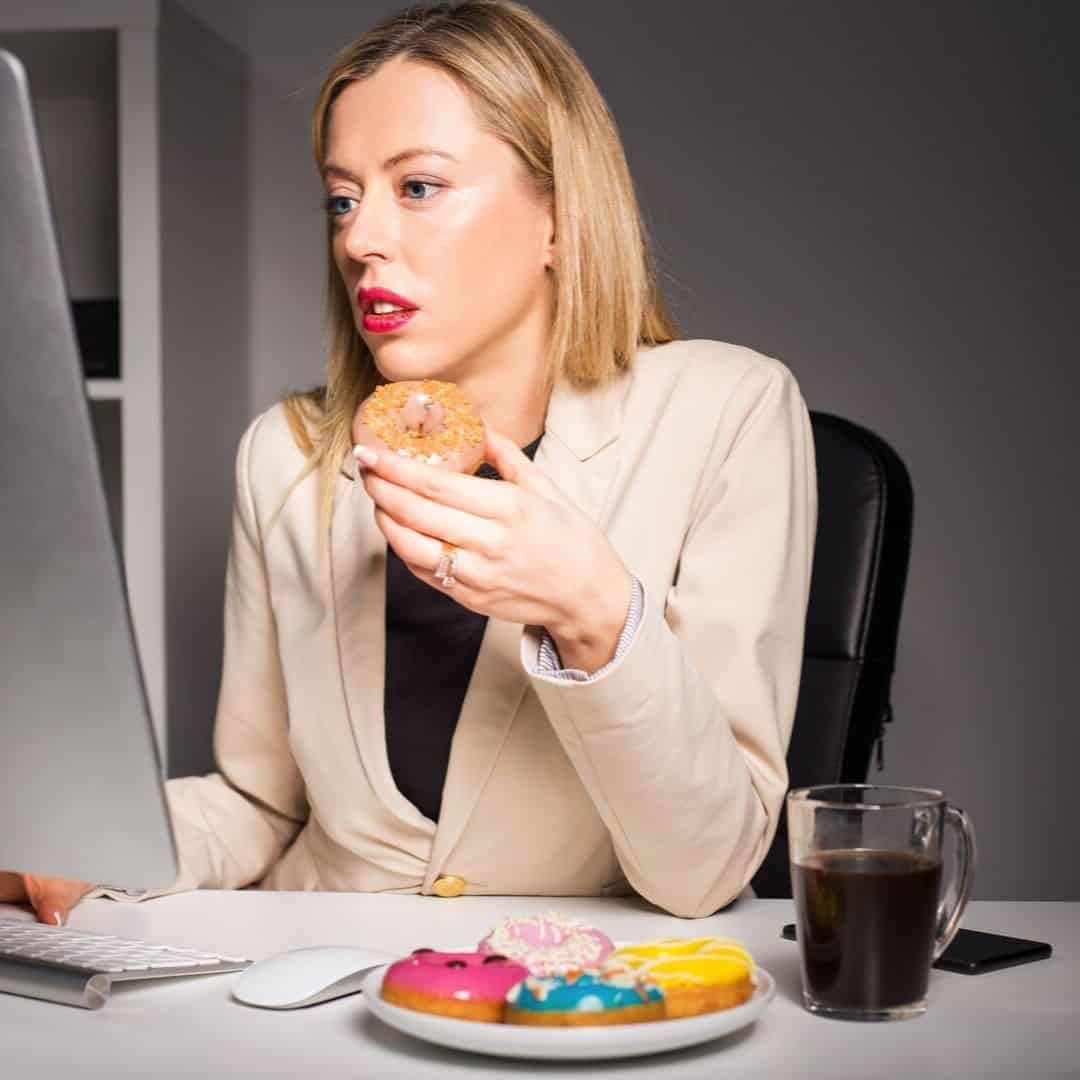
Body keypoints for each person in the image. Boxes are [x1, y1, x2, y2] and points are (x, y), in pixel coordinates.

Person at [1, 0, 816, 925]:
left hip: (576, 1011)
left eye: (418, 187)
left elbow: (705, 870)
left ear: (560, 217)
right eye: (343, 198)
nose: (358, 239)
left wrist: (594, 612)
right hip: (313, 989)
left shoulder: (728, 411)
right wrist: (67, 851)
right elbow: (260, 807)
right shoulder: (287, 456)